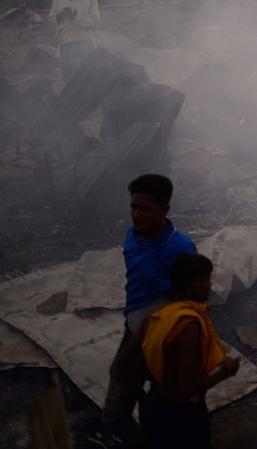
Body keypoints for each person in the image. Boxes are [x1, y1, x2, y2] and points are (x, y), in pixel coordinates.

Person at [101, 174, 198, 443]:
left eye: (145, 209)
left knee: (162, 408)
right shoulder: (132, 237)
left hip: (164, 342)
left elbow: (191, 300)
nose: (136, 215)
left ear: (165, 209)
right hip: (132, 333)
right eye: (133, 207)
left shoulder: (181, 249)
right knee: (116, 405)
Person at [115, 253, 240, 449]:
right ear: (193, 283)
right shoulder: (187, 326)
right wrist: (226, 372)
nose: (210, 285)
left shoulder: (157, 317)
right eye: (206, 279)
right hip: (182, 417)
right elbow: (185, 389)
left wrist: (142, 399)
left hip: (154, 406)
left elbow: (123, 362)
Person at [49, 0, 100, 82]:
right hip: (65, 45)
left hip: (84, 44)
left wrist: (75, 18)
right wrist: (59, 17)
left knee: (86, 79)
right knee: (68, 80)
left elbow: (96, 22)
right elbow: (51, 19)